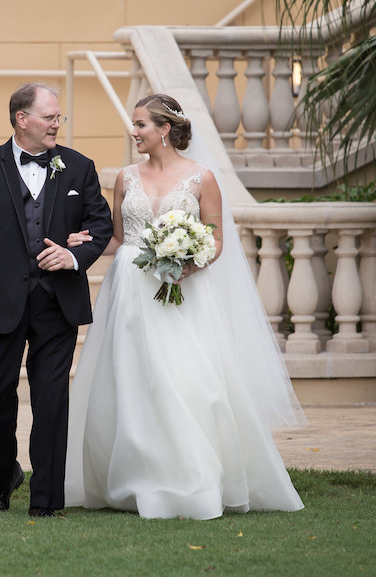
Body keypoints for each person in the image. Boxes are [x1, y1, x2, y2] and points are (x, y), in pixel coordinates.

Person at [63, 93, 305, 520]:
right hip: (130, 292)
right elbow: (120, 239)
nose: (133, 132)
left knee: (188, 381)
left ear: (164, 130)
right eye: (134, 124)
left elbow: (215, 237)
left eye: (140, 124)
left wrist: (188, 263)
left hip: (182, 293)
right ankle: (133, 480)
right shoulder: (125, 178)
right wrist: (86, 244)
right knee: (132, 382)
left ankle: (194, 479)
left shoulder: (202, 178)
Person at [0, 82, 113, 518]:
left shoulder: (78, 166)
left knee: (52, 401)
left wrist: (73, 255)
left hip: (58, 304)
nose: (58, 123)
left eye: (59, 117)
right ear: (22, 119)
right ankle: (3, 478)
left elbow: (101, 225)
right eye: (50, 116)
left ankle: (46, 502)